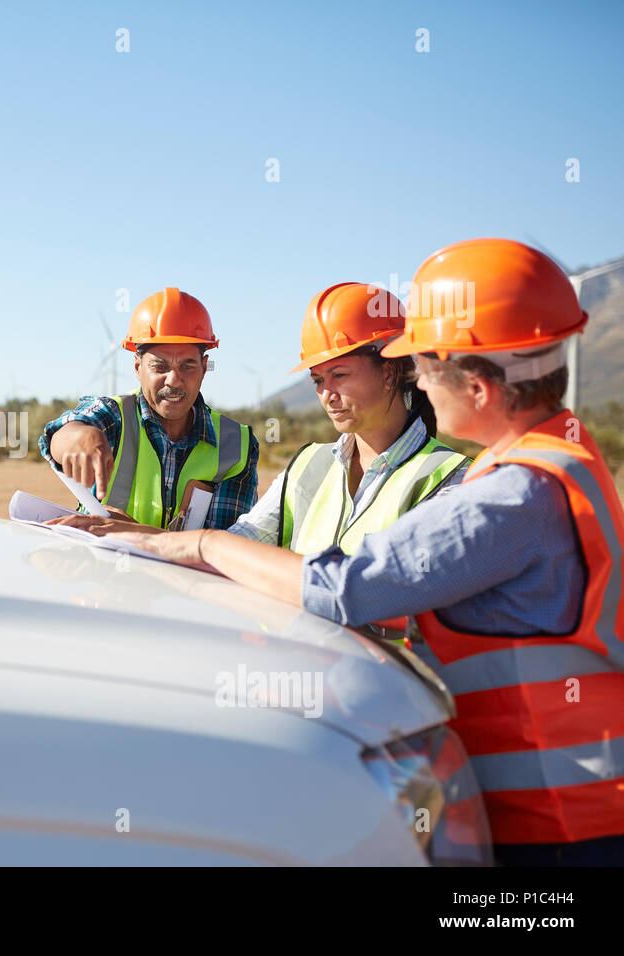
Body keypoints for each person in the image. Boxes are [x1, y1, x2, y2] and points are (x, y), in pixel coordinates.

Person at [105, 239, 624, 865]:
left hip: (560, 820)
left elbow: (345, 589)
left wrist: (198, 542)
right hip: (529, 799)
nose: (423, 379)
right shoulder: (545, 461)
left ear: (480, 384)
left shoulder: (512, 492)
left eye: (426, 363)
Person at [227, 281, 469, 554]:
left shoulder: (450, 477)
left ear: (389, 373)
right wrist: (187, 544)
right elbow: (243, 539)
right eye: (318, 380)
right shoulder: (306, 465)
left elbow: (395, 586)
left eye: (340, 375)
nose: (327, 394)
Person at [40, 287, 259, 531]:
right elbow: (56, 437)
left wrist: (135, 532)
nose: (173, 380)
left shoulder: (237, 446)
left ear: (204, 367)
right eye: (160, 366)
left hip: (185, 572)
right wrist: (77, 435)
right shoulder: (114, 416)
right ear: (137, 367)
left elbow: (225, 549)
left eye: (187, 366)